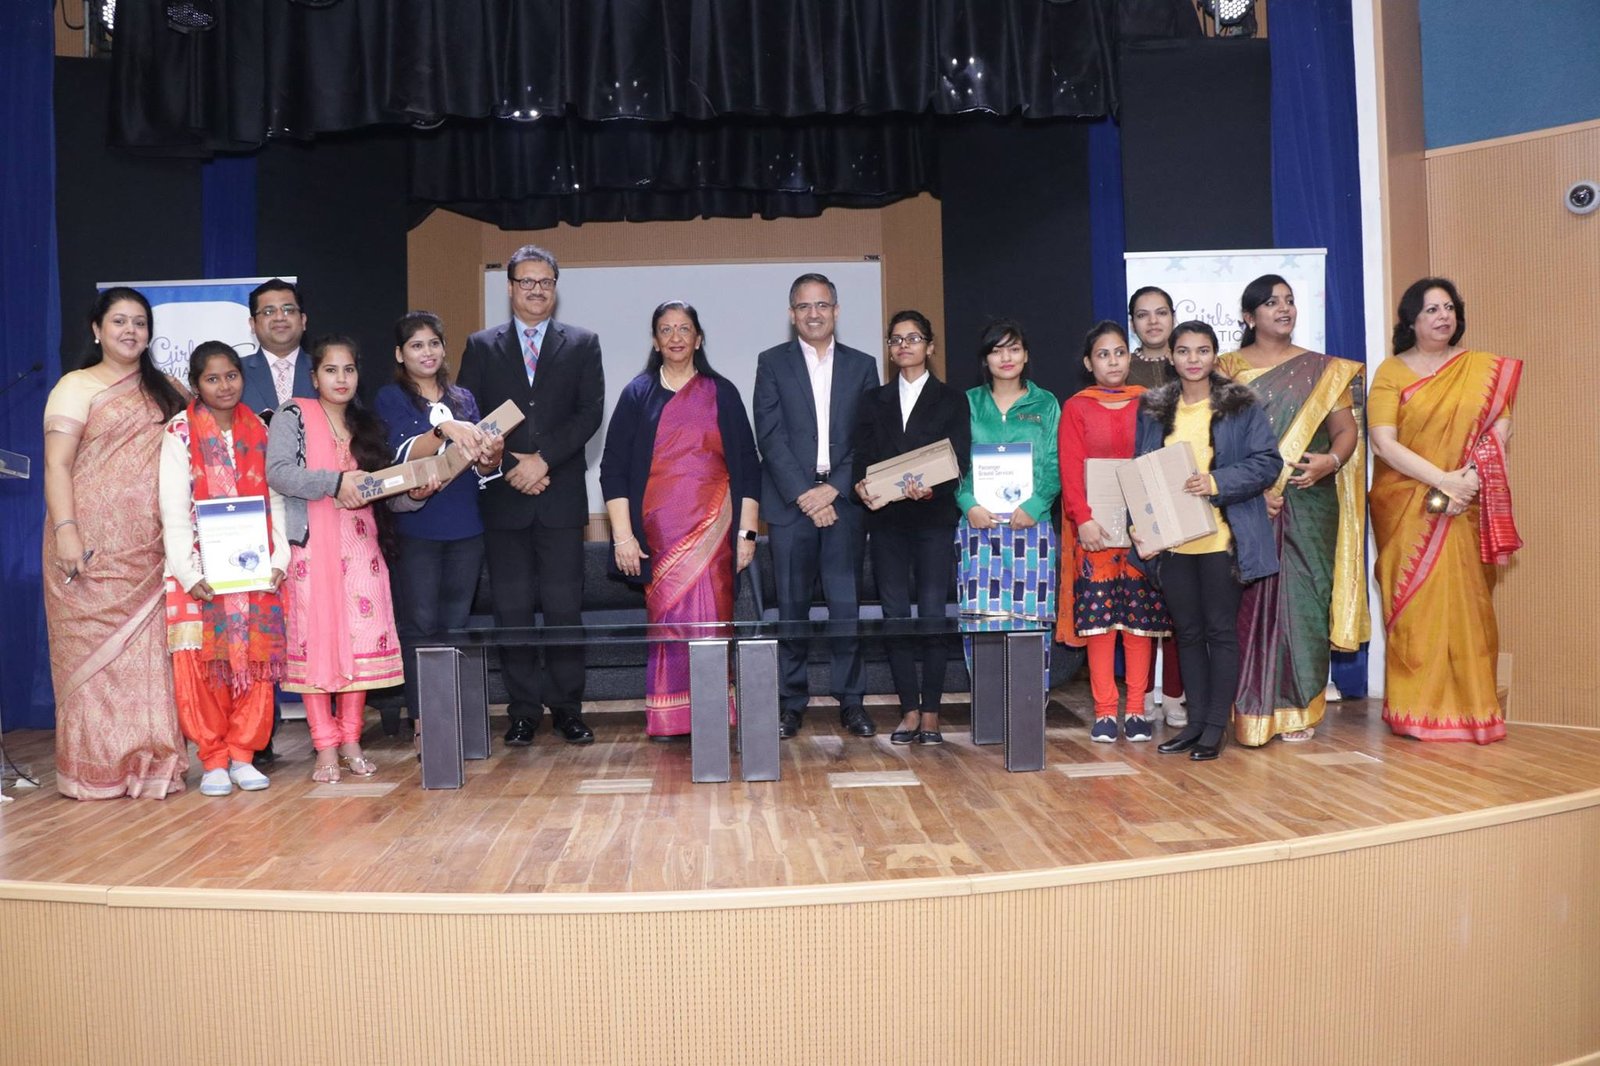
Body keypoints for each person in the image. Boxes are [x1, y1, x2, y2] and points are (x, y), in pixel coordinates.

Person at [41, 286, 189, 799]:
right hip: (87, 549)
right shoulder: (75, 386)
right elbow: (57, 464)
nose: (130, 331)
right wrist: (67, 531)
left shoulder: (169, 391)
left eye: (140, 323)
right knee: (92, 665)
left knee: (149, 665)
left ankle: (153, 766)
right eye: (120, 321)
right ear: (96, 330)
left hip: (151, 551)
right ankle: (95, 771)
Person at [457, 245, 605, 747]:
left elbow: (589, 412)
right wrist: (513, 466)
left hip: (560, 496)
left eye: (545, 282)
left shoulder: (583, 343)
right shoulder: (482, 346)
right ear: (510, 287)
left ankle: (567, 708)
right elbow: (471, 416)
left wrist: (544, 460)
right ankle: (522, 711)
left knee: (565, 608)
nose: (536, 290)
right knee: (512, 609)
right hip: (503, 497)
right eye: (527, 281)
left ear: (555, 288)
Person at [1369, 278, 1521, 744]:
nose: (1443, 316)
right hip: (1408, 503)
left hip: (1466, 503)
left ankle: (1473, 711)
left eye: (1449, 307)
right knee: (1417, 611)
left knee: (1470, 608)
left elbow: (1498, 429)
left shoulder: (1482, 370)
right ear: (1411, 320)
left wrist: (1468, 479)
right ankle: (1417, 711)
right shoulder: (1392, 371)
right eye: (1431, 309)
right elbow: (1383, 442)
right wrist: (1442, 479)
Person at [600, 301, 761, 738]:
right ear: (655, 341)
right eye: (666, 330)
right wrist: (623, 537)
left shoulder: (721, 392)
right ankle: (671, 718)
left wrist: (747, 533)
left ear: (698, 338)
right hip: (657, 533)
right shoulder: (637, 394)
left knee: (713, 617)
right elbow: (612, 469)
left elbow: (748, 467)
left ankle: (714, 714)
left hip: (715, 530)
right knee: (668, 622)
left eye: (684, 329)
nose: (675, 337)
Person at [1219, 275, 1367, 746]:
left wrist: (1331, 461)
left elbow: (1345, 431)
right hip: (1251, 506)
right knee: (1247, 605)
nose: (1284, 309)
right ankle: (1250, 709)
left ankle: (1300, 707)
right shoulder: (1226, 370)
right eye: (1271, 303)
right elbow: (1218, 441)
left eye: (1289, 301)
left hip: (1310, 502)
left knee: (1306, 601)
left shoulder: (1324, 371)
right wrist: (1250, 492)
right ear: (1249, 317)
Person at [1131, 321, 1281, 762]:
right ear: (1171, 356)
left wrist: (1216, 482)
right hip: (1175, 543)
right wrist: (1140, 527)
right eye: (1184, 351)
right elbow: (1140, 471)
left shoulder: (1241, 405)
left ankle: (1216, 727)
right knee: (1187, 634)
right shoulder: (1154, 408)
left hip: (1223, 539)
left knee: (1220, 631)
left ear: (1215, 355)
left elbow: (1267, 463)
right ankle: (1194, 724)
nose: (1193, 359)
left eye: (1202, 350)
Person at [266, 336, 412, 782]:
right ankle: (325, 745)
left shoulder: (367, 425)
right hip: (311, 548)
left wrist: (416, 490)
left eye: (349, 369)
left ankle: (351, 739)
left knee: (360, 645)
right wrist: (335, 483)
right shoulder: (294, 414)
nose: (341, 378)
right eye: (331, 370)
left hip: (363, 548)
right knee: (318, 645)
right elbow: (278, 473)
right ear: (315, 377)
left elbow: (384, 490)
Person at [158, 341, 289, 796]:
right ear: (196, 385)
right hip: (198, 570)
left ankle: (243, 755)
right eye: (212, 378)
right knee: (200, 666)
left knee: (255, 662)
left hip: (252, 568)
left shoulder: (260, 429)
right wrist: (189, 573)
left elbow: (275, 500)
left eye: (231, 375)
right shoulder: (179, 432)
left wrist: (279, 559)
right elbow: (173, 510)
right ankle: (213, 759)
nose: (224, 386)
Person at [752, 273, 879, 740]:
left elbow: (869, 436)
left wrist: (834, 489)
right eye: (804, 306)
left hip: (843, 503)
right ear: (792, 314)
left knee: (846, 607)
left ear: (836, 311)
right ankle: (791, 702)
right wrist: (806, 494)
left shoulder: (863, 365)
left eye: (822, 305)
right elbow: (769, 434)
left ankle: (852, 702)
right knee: (791, 607)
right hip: (791, 505)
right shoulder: (771, 362)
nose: (813, 313)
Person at [375, 311, 503, 741]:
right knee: (420, 627)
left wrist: (491, 455)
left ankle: (452, 721)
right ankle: (423, 724)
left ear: (444, 349)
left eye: (433, 343)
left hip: (466, 525)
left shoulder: (464, 398)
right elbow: (398, 457)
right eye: (416, 345)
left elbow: (482, 470)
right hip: (417, 527)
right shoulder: (391, 398)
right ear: (400, 354)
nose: (426, 352)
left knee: (456, 626)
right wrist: (443, 427)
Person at [852, 311, 971, 746]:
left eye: (914, 338)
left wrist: (932, 488)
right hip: (887, 522)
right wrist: (861, 486)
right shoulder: (873, 400)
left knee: (933, 614)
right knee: (896, 615)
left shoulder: (952, 399)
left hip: (933, 519)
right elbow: (861, 457)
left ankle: (933, 711)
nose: (904, 345)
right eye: (896, 339)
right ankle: (908, 709)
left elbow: (959, 459)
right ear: (889, 349)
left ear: (930, 346)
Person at [1056, 321, 1168, 743]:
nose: (1113, 361)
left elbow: (1158, 462)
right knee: (1101, 623)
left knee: (1138, 623)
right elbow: (1070, 468)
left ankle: (1136, 709)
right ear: (1089, 363)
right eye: (1103, 354)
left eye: (1120, 352)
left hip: (1142, 532)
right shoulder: (1076, 408)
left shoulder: (1151, 403)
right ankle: (1105, 711)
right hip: (1095, 532)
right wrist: (1082, 519)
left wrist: (1153, 522)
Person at [953, 319, 1061, 699]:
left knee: (1030, 619)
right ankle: (987, 704)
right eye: (997, 350)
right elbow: (953, 463)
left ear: (1026, 355)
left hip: (1031, 528)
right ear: (985, 359)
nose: (1006, 357)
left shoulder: (1046, 403)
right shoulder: (967, 403)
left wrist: (1035, 504)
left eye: (1014, 349)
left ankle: (1028, 703)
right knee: (980, 619)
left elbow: (1055, 461)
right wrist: (967, 503)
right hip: (978, 528)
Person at [1125, 285, 1186, 721]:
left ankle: (1178, 695)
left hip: (1185, 492)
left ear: (1172, 317)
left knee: (1183, 602)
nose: (1153, 321)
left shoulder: (1190, 362)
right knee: (1140, 601)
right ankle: (1142, 693)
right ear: (1132, 322)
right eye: (1143, 314)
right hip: (1136, 493)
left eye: (1161, 312)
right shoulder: (1121, 367)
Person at [240, 278, 315, 418]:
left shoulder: (324, 369)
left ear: (303, 320)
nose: (279, 317)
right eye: (268, 312)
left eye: (288, 310)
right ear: (253, 324)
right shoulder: (236, 372)